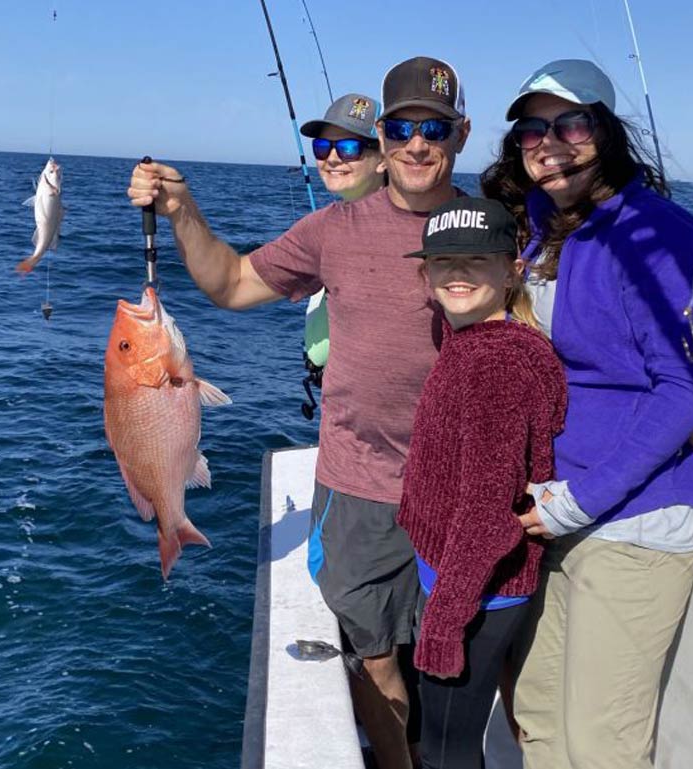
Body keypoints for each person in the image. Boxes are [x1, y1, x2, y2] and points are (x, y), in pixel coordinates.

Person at [128, 56, 472, 769]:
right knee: (375, 654)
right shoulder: (331, 229)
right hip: (360, 486)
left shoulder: (493, 227)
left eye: (434, 129)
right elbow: (231, 283)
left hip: (465, 486)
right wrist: (183, 210)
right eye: (402, 128)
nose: (416, 144)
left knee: (466, 654)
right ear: (385, 135)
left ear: (460, 136)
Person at [481, 59, 693, 769]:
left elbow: (684, 389)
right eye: (532, 130)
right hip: (551, 509)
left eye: (571, 123)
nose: (550, 143)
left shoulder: (658, 234)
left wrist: (579, 499)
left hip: (630, 521)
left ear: (607, 130)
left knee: (600, 744)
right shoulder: (542, 226)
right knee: (537, 717)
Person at [396, 197, 567, 769]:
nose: (458, 274)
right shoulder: (476, 339)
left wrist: (446, 620)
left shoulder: (493, 364)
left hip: (477, 591)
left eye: (477, 260)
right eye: (444, 261)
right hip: (463, 577)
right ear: (426, 274)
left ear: (512, 270)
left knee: (446, 749)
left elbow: (487, 511)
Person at [299, 92, 385, 398]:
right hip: (335, 396)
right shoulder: (327, 227)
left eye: (349, 148)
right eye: (322, 147)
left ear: (384, 157)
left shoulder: (388, 233)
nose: (332, 158)